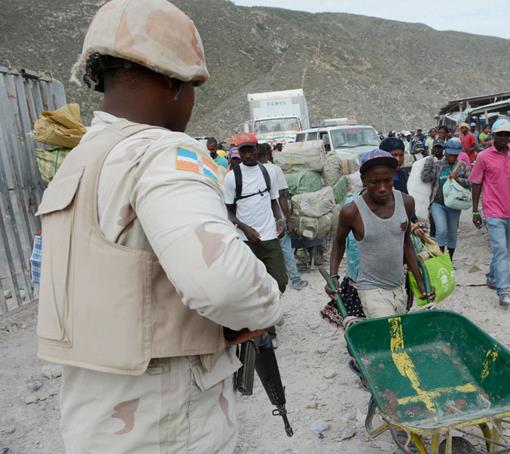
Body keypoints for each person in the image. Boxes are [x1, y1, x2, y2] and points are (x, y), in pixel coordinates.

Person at [37, 1, 283, 452]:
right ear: (173, 81)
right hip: (169, 420)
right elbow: (225, 284)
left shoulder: (78, 161)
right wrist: (266, 307)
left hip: (97, 422)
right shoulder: (163, 153)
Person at [327, 150, 433, 318]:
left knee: (397, 330)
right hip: (371, 288)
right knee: (389, 329)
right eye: (375, 182)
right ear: (364, 180)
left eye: (387, 181)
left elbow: (406, 244)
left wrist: (420, 281)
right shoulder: (352, 212)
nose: (382, 188)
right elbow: (339, 243)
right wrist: (333, 276)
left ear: (393, 177)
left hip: (398, 285)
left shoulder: (406, 202)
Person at [470, 117, 510, 307]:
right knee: (501, 250)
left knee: (502, 250)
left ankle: (492, 277)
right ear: (493, 136)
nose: (504, 138)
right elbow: (476, 183)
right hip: (492, 211)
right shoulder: (483, 157)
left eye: (507, 134)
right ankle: (504, 290)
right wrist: (475, 211)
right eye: (500, 135)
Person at [223, 133, 288, 293]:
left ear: (257, 149)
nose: (247, 155)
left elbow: (273, 201)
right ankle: (264, 308)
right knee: (251, 285)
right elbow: (228, 212)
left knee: (280, 281)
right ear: (238, 151)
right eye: (243, 151)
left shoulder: (268, 173)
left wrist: (280, 221)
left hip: (269, 237)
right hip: (247, 241)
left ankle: (272, 302)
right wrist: (245, 228)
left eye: (250, 150)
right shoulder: (232, 177)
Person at [257, 143, 308, 290]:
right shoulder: (275, 170)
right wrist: (288, 219)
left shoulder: (253, 171)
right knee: (285, 247)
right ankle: (296, 280)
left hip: (260, 217)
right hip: (276, 216)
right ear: (268, 153)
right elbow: (282, 196)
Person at [422, 138, 470, 259]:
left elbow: (471, 182)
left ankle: (449, 260)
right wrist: (429, 162)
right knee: (441, 230)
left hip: (454, 205)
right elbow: (425, 178)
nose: (452, 157)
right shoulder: (437, 164)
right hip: (438, 204)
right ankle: (441, 259)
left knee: (452, 233)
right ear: (445, 152)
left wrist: (458, 179)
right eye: (450, 154)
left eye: (455, 155)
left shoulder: (462, 166)